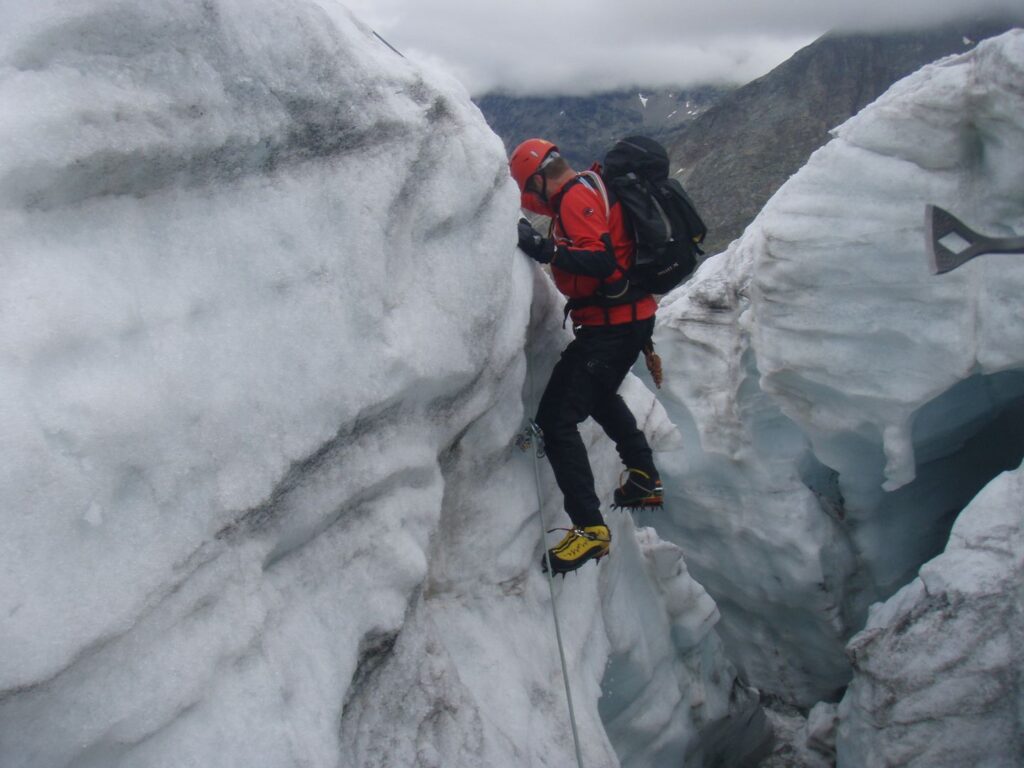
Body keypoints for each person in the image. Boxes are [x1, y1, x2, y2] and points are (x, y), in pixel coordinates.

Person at [509, 138, 663, 576]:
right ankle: (643, 477)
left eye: (530, 189)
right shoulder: (588, 190)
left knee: (558, 423)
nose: (534, 200)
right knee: (596, 396)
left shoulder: (575, 196)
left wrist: (545, 250)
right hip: (622, 323)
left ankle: (589, 529)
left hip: (612, 328)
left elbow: (599, 261)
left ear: (539, 179)